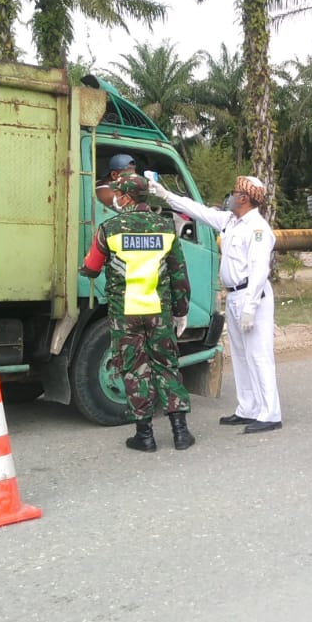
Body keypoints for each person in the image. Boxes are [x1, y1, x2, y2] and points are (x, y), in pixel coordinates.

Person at [148, 174, 282, 432]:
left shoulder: (258, 230)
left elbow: (258, 270)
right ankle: (248, 408)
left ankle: (270, 413)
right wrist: (166, 195)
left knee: (259, 355)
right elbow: (197, 211)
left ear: (244, 198)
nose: (229, 196)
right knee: (241, 355)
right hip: (233, 295)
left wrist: (250, 307)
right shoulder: (231, 221)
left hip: (252, 296)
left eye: (234, 193)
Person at [79, 173, 194, 452]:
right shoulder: (165, 228)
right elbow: (179, 274)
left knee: (134, 369)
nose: (115, 198)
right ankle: (180, 433)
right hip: (159, 311)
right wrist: (181, 311)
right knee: (166, 366)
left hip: (126, 313)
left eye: (118, 194)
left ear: (127, 197)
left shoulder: (110, 229)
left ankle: (145, 436)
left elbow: (91, 268)